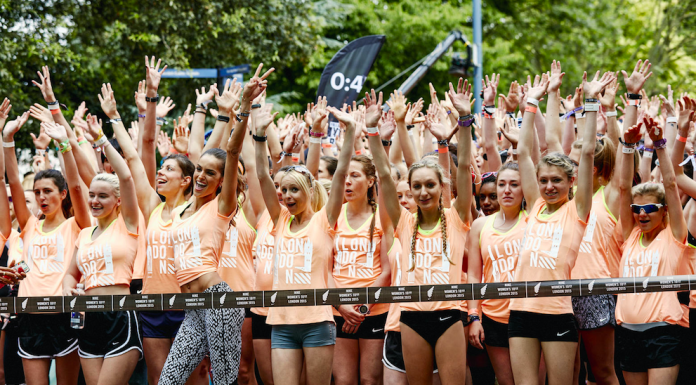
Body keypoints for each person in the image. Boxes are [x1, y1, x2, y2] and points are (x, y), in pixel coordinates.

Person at [156, 64, 272, 384]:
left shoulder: (222, 208)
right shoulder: (186, 211)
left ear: (223, 182)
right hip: (193, 307)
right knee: (168, 380)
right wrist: (205, 112)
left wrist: (244, 106)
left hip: (220, 299)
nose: (201, 176)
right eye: (199, 170)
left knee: (224, 381)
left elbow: (232, 151)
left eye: (211, 173)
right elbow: (200, 151)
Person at [102, 57, 207, 385]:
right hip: (152, 302)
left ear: (187, 180)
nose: (160, 172)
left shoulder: (198, 207)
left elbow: (205, 153)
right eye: (160, 168)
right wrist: (113, 119)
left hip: (189, 303)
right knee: (160, 378)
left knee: (194, 376)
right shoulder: (152, 206)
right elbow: (134, 156)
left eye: (168, 169)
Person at [366, 82, 474, 385]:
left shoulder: (456, 217)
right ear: (410, 190)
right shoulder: (403, 221)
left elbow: (464, 166)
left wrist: (464, 120)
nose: (423, 192)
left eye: (430, 185)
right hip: (409, 316)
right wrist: (373, 130)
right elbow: (385, 175)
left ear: (441, 186)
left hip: (448, 314)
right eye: (417, 186)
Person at [508, 70, 610, 385]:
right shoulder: (535, 204)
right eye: (544, 181)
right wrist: (531, 102)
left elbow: (590, 151)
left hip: (557, 312)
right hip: (521, 310)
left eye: (556, 181)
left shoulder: (576, 210)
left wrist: (591, 102)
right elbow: (523, 152)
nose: (549, 187)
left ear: (571, 183)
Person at [4, 68, 92, 385]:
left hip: (64, 316)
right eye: (37, 192)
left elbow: (81, 189)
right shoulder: (28, 225)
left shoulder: (76, 225)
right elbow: (13, 181)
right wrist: (7, 140)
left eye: (48, 192)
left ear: (62, 194)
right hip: (28, 316)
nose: (41, 197)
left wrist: (64, 144)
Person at [61, 113, 142, 383]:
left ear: (118, 201)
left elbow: (127, 177)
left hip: (120, 314)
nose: (94, 201)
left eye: (102, 196)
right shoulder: (84, 234)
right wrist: (68, 291)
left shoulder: (128, 223)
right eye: (92, 195)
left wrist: (100, 140)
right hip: (87, 317)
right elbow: (71, 274)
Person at [616, 116, 688, 385]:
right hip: (627, 333)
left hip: (663, 333)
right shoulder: (630, 234)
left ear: (665, 211)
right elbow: (624, 188)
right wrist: (628, 147)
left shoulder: (674, 235)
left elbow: (671, 184)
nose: (641, 214)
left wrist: (659, 143)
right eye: (637, 209)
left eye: (649, 209)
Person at [331, 152, 391, 385]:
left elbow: (387, 271)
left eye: (354, 175)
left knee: (369, 380)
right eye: (344, 175)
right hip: (338, 310)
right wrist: (342, 306)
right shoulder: (332, 216)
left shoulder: (381, 217)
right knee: (344, 380)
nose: (347, 181)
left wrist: (362, 308)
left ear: (370, 181)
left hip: (374, 311)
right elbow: (325, 269)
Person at [467, 162, 526, 385]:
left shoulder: (533, 220)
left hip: (528, 315)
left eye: (514, 184)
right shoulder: (481, 225)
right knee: (505, 381)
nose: (507, 190)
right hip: (493, 316)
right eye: (502, 184)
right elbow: (474, 275)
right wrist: (474, 316)